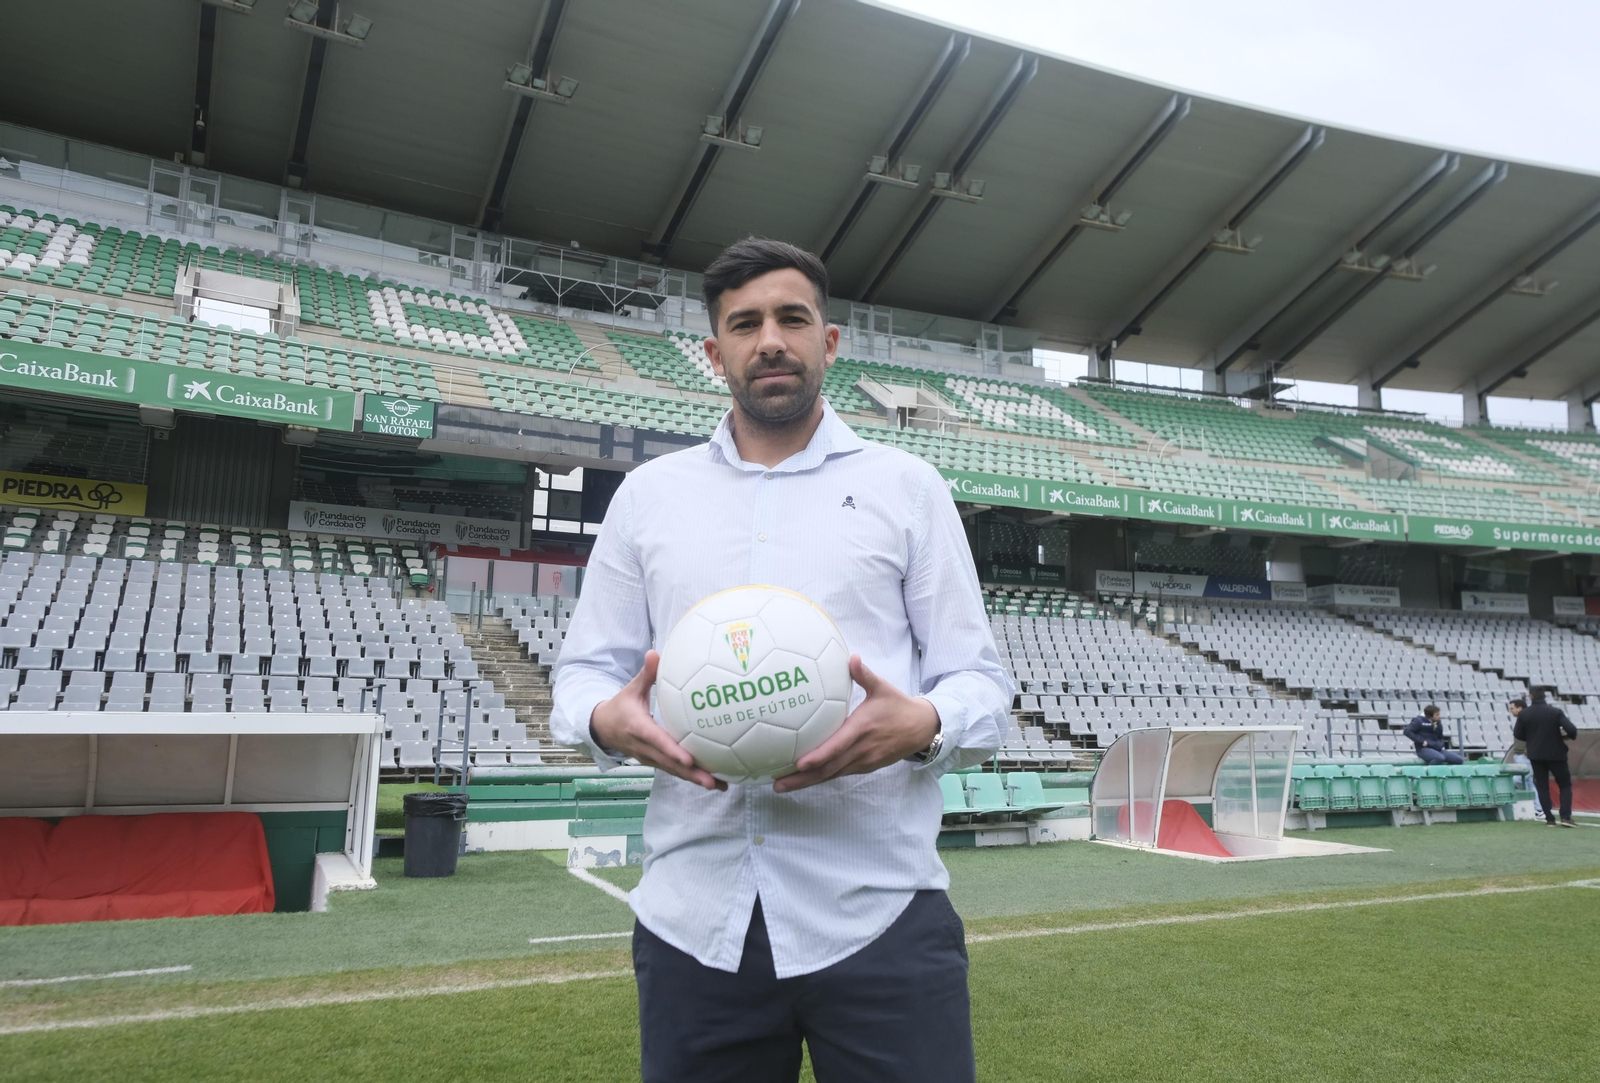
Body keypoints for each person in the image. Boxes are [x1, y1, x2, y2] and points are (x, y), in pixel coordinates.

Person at [550, 237, 1012, 1083]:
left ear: (827, 341)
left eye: (793, 318)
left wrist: (925, 722)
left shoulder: (906, 488)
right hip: (695, 924)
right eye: (745, 322)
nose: (771, 339)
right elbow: (582, 672)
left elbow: (980, 683)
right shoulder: (651, 497)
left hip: (880, 913)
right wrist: (605, 719)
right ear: (714, 350)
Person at [1512, 689, 1579, 827]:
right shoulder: (1555, 712)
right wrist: (1566, 737)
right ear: (1545, 697)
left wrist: (1532, 739)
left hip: (1536, 755)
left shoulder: (1524, 714)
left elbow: (1518, 734)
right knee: (1565, 785)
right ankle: (1565, 817)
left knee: (1542, 786)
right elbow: (1572, 730)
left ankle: (1549, 819)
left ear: (1531, 696)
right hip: (1556, 754)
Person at [1507, 698, 1545, 819]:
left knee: (1517, 780)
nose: (1511, 711)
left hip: (1525, 757)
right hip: (1520, 755)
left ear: (1520, 708)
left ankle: (1535, 808)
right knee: (1529, 784)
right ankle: (1538, 809)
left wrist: (1527, 753)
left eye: (1512, 708)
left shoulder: (1527, 720)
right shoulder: (1522, 719)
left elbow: (1535, 737)